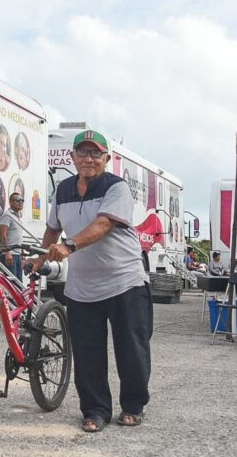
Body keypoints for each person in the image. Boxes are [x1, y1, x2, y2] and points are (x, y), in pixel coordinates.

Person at [34, 129, 151, 433]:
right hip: (82, 288)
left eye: (95, 153)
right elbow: (52, 229)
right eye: (82, 153)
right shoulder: (62, 191)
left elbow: (103, 224)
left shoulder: (117, 187)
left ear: (106, 159)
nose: (88, 159)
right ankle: (95, 410)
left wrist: (69, 247)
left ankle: (133, 405)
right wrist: (39, 257)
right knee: (87, 353)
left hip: (125, 282)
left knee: (131, 349)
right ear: (71, 157)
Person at [0, 192, 26, 279]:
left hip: (18, 254)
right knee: (12, 283)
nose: (20, 202)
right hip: (10, 254)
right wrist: (7, 252)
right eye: (18, 200)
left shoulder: (17, 217)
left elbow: (18, 237)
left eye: (22, 200)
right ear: (11, 202)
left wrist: (22, 253)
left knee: (18, 283)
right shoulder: (7, 215)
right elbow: (3, 234)